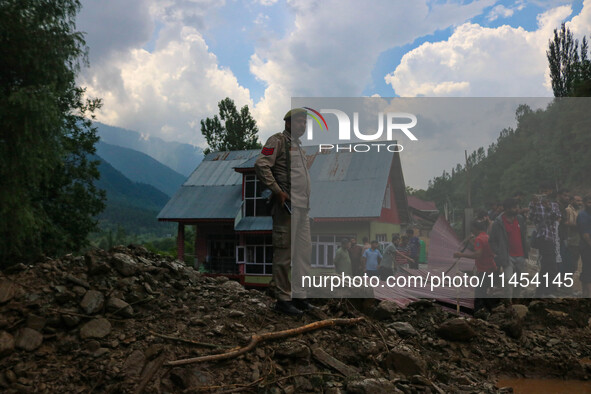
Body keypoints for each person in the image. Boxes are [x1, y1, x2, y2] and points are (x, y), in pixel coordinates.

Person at [254, 108, 313, 316]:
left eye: (305, 123)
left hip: (303, 209)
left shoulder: (299, 146)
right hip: (287, 208)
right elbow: (261, 164)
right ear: (288, 123)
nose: (303, 126)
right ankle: (283, 300)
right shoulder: (277, 141)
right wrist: (277, 191)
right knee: (284, 254)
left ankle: (300, 296)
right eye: (299, 122)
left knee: (303, 254)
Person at [454, 220, 497, 315]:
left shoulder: (479, 239)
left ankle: (478, 313)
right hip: (491, 268)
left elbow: (478, 254)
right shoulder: (486, 237)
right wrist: (472, 241)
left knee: (479, 293)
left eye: (472, 229)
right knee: (484, 292)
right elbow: (482, 249)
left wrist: (461, 254)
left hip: (484, 270)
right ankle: (489, 311)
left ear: (475, 228)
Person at [489, 198, 528, 303]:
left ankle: (516, 300)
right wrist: (499, 252)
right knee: (508, 280)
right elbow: (492, 240)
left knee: (519, 281)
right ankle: (508, 302)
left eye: (517, 207)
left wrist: (526, 251)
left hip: (521, 255)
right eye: (514, 207)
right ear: (507, 209)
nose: (517, 209)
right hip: (507, 256)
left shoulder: (520, 219)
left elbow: (523, 236)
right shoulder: (498, 222)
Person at [528, 183, 561, 297]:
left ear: (550, 191)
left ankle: (541, 291)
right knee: (550, 265)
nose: (544, 193)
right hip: (542, 237)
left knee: (547, 265)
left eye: (547, 190)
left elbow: (557, 217)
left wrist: (548, 207)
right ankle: (545, 291)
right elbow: (531, 218)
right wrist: (534, 204)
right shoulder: (534, 204)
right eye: (542, 191)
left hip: (552, 237)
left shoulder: (554, 205)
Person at [565, 195, 583, 275]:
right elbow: (567, 223)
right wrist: (582, 225)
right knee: (570, 263)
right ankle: (566, 283)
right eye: (577, 201)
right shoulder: (568, 210)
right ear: (572, 201)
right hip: (571, 240)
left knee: (574, 262)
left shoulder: (578, 211)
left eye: (580, 201)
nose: (580, 203)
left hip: (579, 239)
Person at [577, 195, 591, 297]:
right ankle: (587, 293)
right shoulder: (583, 215)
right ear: (585, 203)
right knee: (587, 268)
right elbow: (585, 234)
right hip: (586, 246)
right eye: (589, 202)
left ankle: (585, 293)